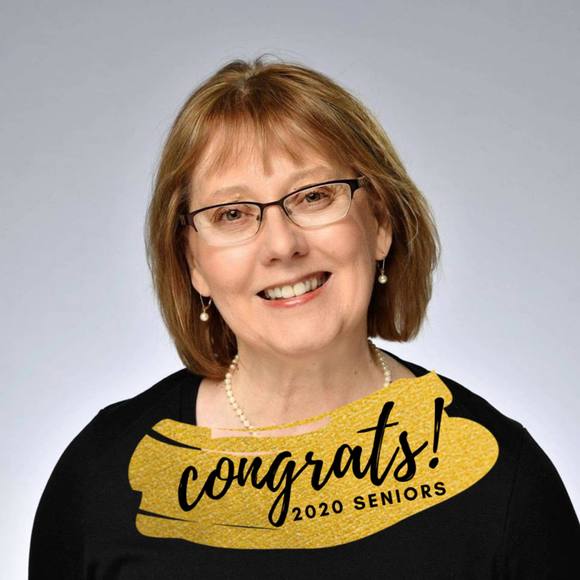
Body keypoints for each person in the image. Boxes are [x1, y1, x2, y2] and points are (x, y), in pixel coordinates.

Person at [29, 55, 579, 579]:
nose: (282, 245)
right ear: (193, 262)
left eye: (314, 196)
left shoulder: (504, 481)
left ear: (380, 223)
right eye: (232, 213)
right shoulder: (100, 479)